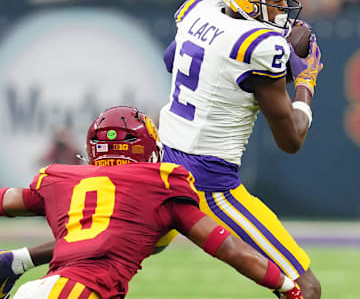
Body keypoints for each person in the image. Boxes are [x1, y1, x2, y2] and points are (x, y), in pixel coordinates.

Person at [158, 0, 322, 298]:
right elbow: (291, 140)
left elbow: (172, 61)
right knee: (304, 288)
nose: (282, 6)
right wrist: (306, 81)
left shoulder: (199, 9)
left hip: (160, 167)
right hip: (209, 185)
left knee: (104, 255)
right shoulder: (259, 45)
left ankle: (15, 262)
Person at [0, 106, 303, 299]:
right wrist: (286, 286)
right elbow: (231, 250)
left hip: (42, 289)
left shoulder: (64, 180)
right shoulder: (162, 184)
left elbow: (8, 200)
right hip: (77, 292)